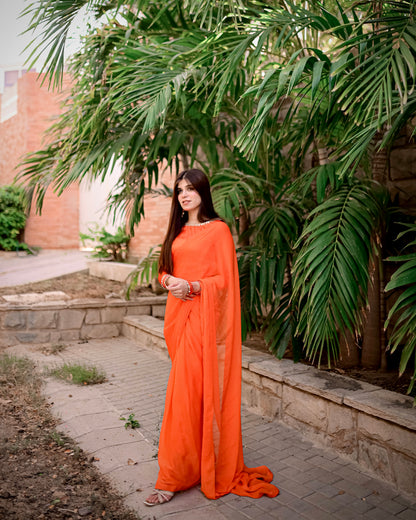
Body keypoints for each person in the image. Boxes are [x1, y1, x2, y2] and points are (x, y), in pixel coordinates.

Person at [144, 169, 279, 506]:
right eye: (179, 191)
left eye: (190, 189)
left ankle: (172, 476)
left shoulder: (219, 231)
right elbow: (163, 269)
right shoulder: (176, 230)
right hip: (179, 320)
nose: (184, 195)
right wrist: (169, 282)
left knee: (185, 398)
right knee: (188, 395)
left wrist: (195, 286)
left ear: (203, 191)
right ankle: (190, 466)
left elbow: (226, 281)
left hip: (204, 324)